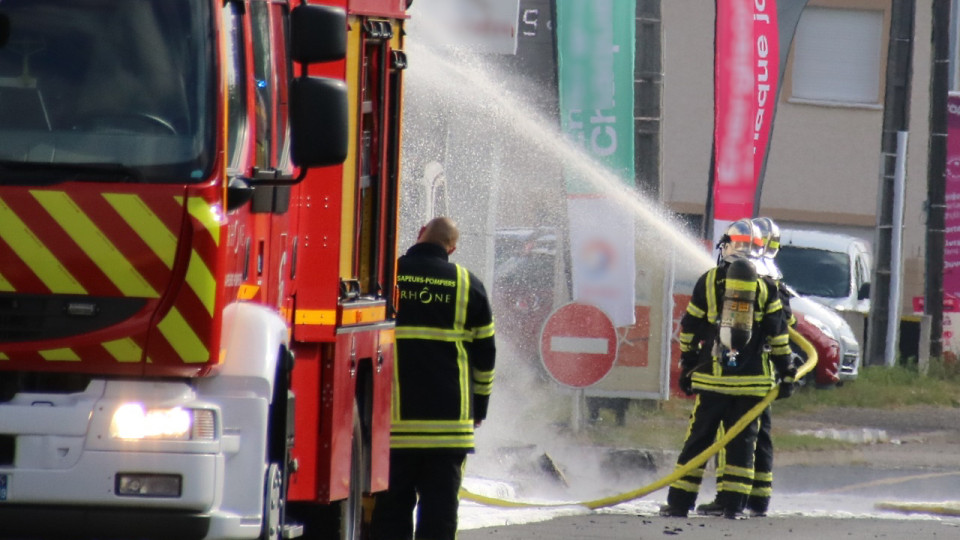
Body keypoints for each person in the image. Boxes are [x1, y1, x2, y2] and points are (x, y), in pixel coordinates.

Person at [660, 218, 797, 519]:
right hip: (753, 384)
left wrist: (687, 364)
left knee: (699, 440)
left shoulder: (708, 281)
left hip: (713, 380)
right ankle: (733, 505)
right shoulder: (766, 286)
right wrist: (787, 371)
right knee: (742, 444)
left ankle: (679, 502)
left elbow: (689, 327)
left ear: (728, 246)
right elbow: (778, 335)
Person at [370, 217, 496, 540]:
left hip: (395, 427)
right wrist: (479, 407)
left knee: (391, 511)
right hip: (449, 430)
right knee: (440, 514)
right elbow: (485, 357)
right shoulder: (468, 284)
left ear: (419, 234)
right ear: (452, 248)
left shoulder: (388, 276)